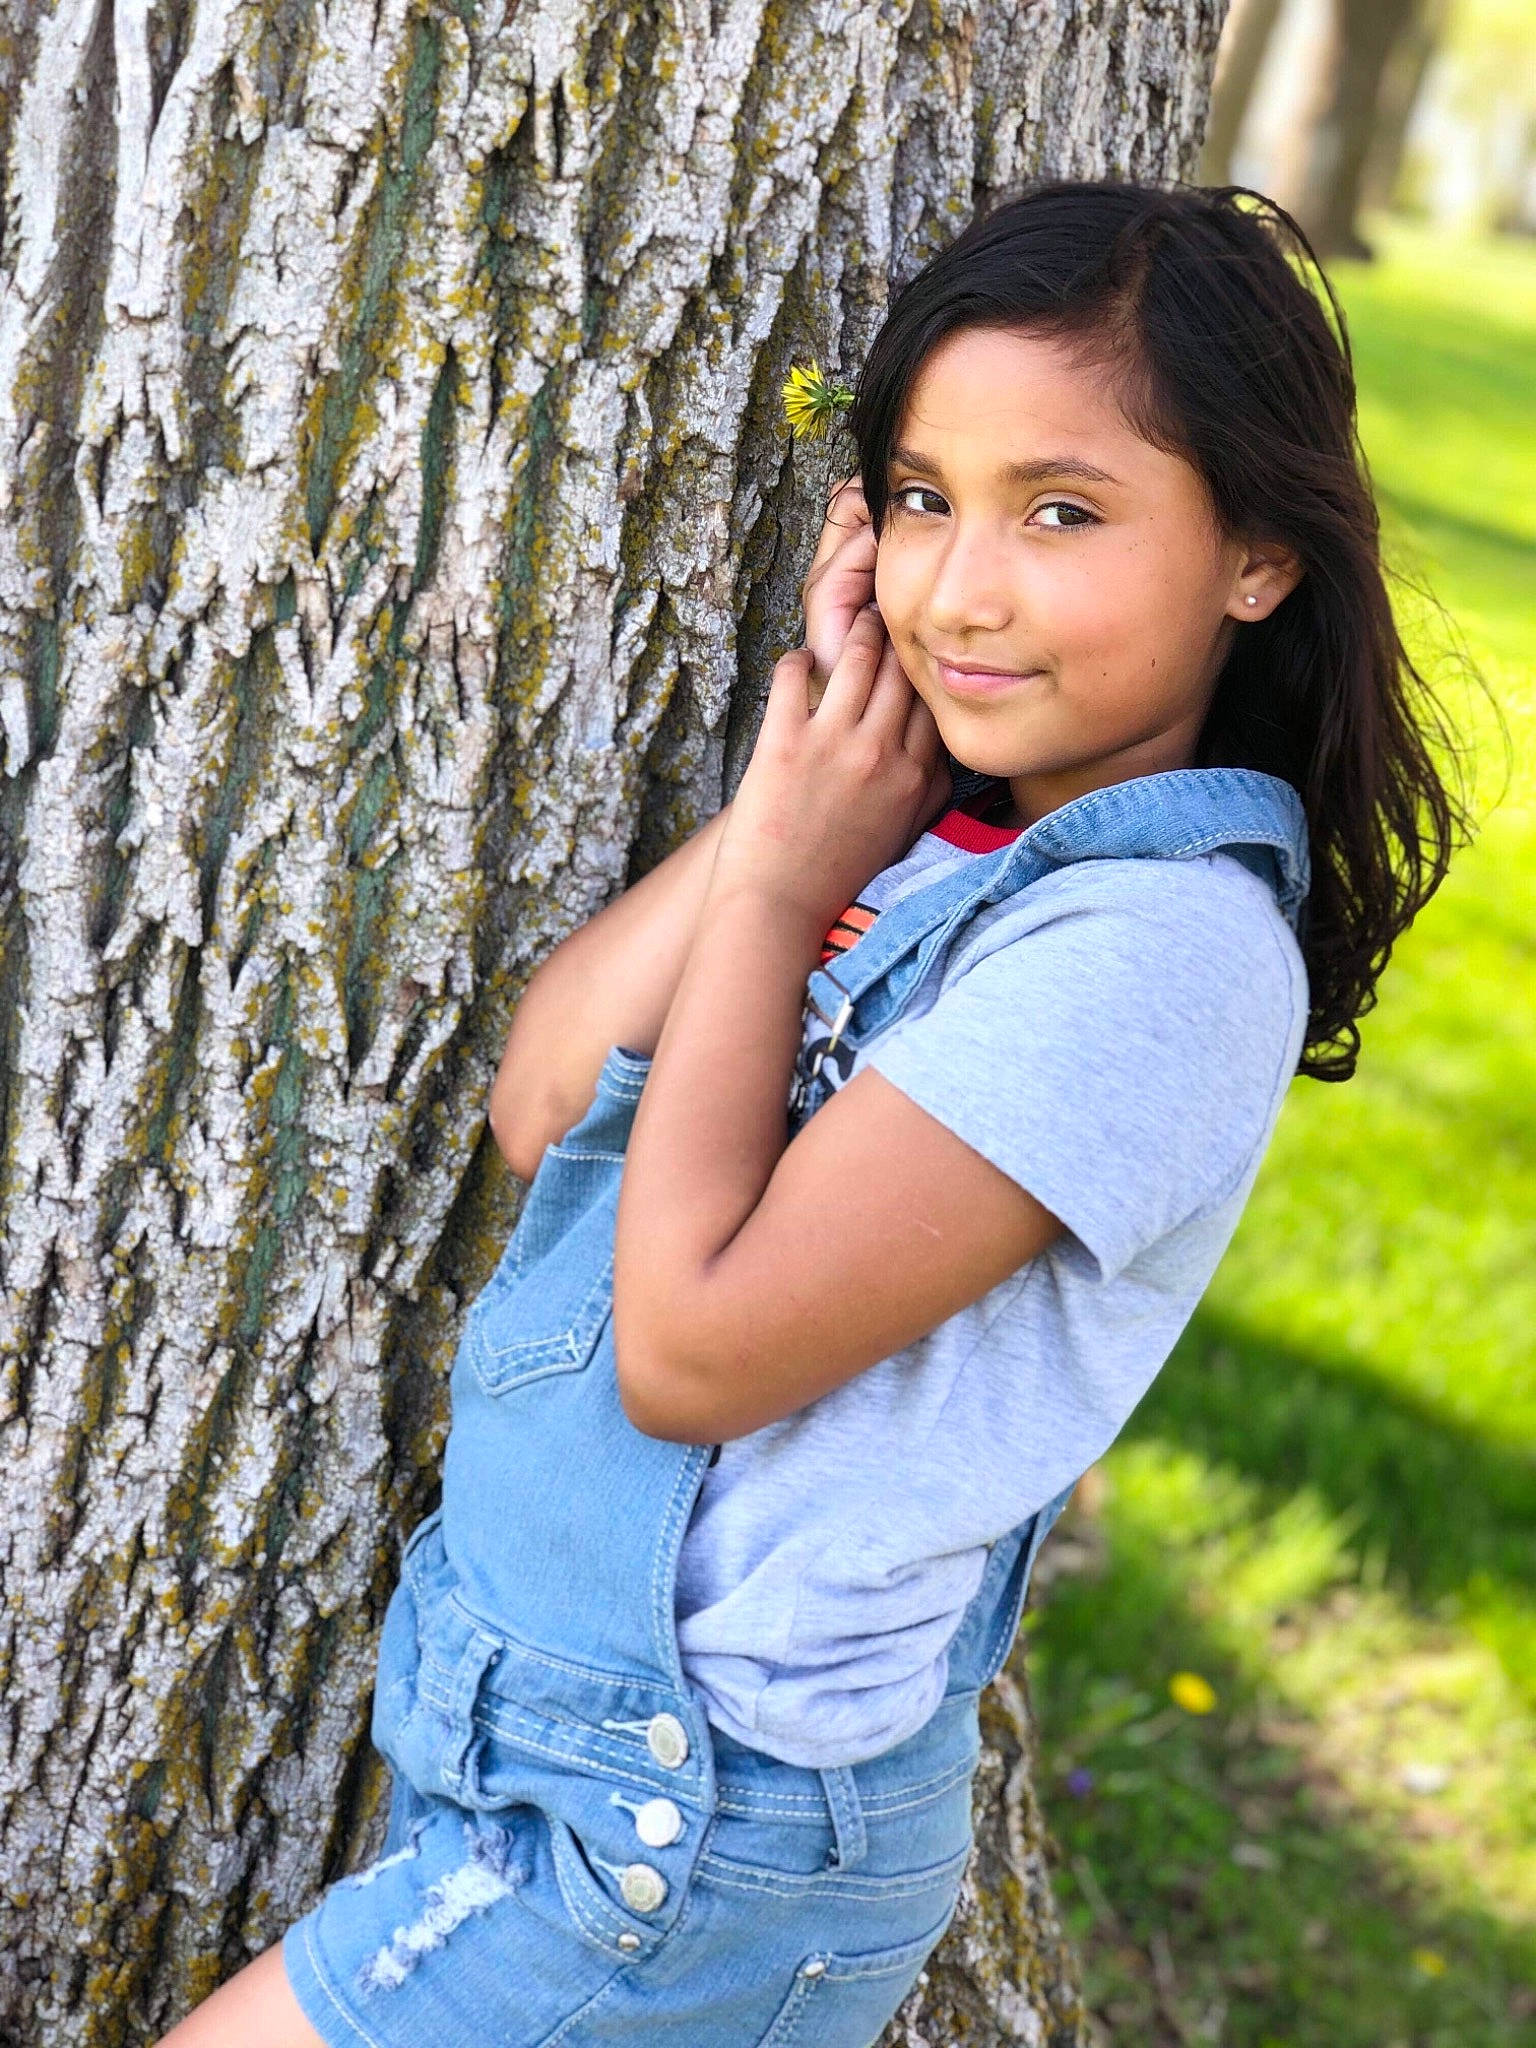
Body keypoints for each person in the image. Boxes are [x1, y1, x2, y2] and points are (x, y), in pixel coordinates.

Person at [159, 180, 1462, 2048]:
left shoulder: (1157, 952)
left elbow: (689, 1354)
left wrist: (779, 888)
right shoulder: (925, 824)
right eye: (925, 500)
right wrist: (791, 820)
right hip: (568, 1738)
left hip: (704, 1823)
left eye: (1064, 511)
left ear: (1257, 555)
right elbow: (551, 1103)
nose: (965, 587)